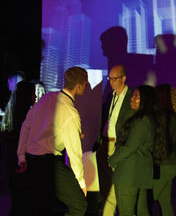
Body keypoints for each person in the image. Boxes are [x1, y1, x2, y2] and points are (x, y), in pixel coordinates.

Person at [17, 66, 88, 216]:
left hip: (32, 161)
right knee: (79, 205)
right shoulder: (70, 112)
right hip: (49, 163)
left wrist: (21, 156)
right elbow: (75, 152)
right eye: (86, 84)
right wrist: (81, 183)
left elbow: (26, 126)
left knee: (41, 207)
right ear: (79, 85)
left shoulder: (46, 98)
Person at [108, 85, 162, 216]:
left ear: (145, 100)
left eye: (136, 96)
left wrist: (111, 160)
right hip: (141, 173)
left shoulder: (141, 121)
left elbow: (129, 147)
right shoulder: (149, 119)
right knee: (142, 210)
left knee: (127, 212)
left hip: (129, 173)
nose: (132, 98)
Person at [95, 65, 135, 216]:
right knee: (108, 186)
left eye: (114, 78)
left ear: (123, 79)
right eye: (109, 78)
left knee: (116, 185)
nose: (111, 82)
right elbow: (108, 120)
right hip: (105, 143)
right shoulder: (110, 96)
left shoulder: (132, 97)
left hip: (120, 145)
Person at [2, 81, 36, 215]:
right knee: (24, 198)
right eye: (33, 93)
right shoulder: (28, 114)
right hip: (22, 159)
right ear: (26, 95)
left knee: (17, 198)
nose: (35, 96)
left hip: (11, 157)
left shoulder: (11, 112)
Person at [152, 84, 176, 216]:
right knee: (165, 201)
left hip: (162, 164)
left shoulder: (160, 117)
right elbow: (174, 139)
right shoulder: (174, 116)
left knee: (149, 200)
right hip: (172, 163)